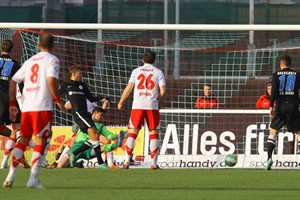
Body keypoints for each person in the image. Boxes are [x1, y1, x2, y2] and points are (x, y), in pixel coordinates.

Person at [3, 33, 65, 189]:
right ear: (53, 46)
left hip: (27, 107)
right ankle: (33, 179)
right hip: (42, 107)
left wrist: (12, 104)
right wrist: (58, 101)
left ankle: (10, 176)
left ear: (38, 45)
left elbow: (13, 82)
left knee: (22, 139)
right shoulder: (52, 60)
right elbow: (51, 81)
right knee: (40, 142)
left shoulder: (30, 61)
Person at [118, 50, 166, 170]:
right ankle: (153, 164)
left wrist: (121, 101)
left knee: (133, 133)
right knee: (154, 133)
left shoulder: (136, 71)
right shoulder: (159, 72)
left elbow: (129, 88)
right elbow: (163, 92)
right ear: (154, 60)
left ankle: (126, 162)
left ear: (143, 60)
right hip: (152, 106)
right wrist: (158, 103)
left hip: (137, 105)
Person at [58, 65, 108, 169]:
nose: (81, 75)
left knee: (94, 137)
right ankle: (100, 163)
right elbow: (56, 95)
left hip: (86, 114)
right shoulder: (65, 85)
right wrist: (61, 106)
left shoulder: (82, 85)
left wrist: (102, 97)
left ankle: (74, 153)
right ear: (74, 73)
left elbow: (91, 98)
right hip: (78, 114)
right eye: (80, 73)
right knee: (94, 135)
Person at [56, 106, 126, 169]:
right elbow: (110, 136)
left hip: (82, 146)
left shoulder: (94, 123)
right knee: (101, 147)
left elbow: (110, 136)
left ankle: (76, 164)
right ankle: (115, 145)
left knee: (61, 166)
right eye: (101, 115)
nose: (102, 118)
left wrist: (119, 135)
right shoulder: (93, 123)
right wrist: (121, 135)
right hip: (87, 146)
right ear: (95, 113)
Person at [266, 55, 300, 170]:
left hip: (281, 106)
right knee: (299, 133)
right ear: (290, 64)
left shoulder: (276, 75)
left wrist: (271, 106)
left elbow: (274, 91)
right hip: (293, 106)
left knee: (273, 132)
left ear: (281, 65)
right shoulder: (297, 75)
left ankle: (269, 158)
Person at [0, 40, 30, 169]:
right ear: (12, 50)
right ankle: (35, 154)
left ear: (1, 48)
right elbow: (21, 82)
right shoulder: (15, 64)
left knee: (15, 131)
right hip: (10, 100)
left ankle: (17, 154)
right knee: (18, 129)